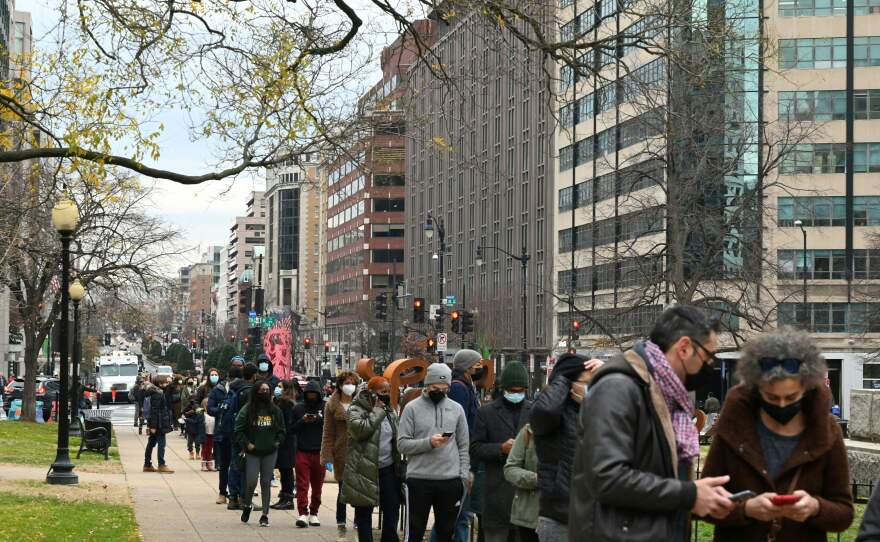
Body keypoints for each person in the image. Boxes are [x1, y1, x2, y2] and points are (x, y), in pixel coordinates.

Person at [569, 305, 734, 542]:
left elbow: (656, 483)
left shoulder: (665, 395)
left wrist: (700, 498)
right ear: (684, 348)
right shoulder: (618, 388)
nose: (710, 367)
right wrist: (689, 495)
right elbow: (607, 478)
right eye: (708, 357)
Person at [702, 328, 854, 541]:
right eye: (772, 398)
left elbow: (845, 513)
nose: (782, 404)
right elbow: (705, 503)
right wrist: (745, 509)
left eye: (792, 397)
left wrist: (815, 508)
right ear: (757, 388)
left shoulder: (826, 430)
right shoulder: (734, 426)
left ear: (806, 387)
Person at [527, 352, 601, 542]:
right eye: (586, 383)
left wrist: (608, 372)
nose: (591, 389)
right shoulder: (553, 414)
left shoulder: (596, 411)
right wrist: (561, 378)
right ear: (568, 384)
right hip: (558, 517)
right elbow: (545, 411)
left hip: (594, 516)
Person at [397, 363, 470, 542]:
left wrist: (463, 476)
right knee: (414, 532)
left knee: (446, 533)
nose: (440, 392)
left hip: (450, 481)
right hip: (419, 480)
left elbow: (463, 445)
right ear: (427, 385)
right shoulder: (412, 408)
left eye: (445, 389)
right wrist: (428, 443)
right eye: (436, 388)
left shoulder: (457, 409)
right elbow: (402, 444)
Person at [470, 361, 532, 542]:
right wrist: (501, 448)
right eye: (512, 390)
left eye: (520, 390)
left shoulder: (535, 411)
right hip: (496, 495)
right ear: (504, 388)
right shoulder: (487, 413)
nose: (516, 394)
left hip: (525, 498)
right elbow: (475, 448)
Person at [342, 376, 403, 542]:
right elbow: (360, 431)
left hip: (388, 468)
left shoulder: (390, 410)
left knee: (392, 508)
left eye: (388, 391)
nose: (386, 395)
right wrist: (376, 411)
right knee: (364, 512)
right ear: (371, 393)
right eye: (382, 391)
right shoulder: (356, 409)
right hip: (364, 469)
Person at [444, 349, 484, 542]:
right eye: (477, 364)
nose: (481, 368)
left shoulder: (469, 387)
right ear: (468, 367)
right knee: (460, 514)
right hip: (462, 457)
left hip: (465, 455)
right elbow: (461, 425)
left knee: (459, 515)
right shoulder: (460, 388)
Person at [234, 380, 286, 527]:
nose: (265, 392)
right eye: (262, 390)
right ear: (256, 392)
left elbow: (282, 430)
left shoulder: (275, 410)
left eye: (267, 390)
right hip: (253, 452)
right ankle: (248, 504)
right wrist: (247, 444)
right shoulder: (248, 409)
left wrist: (277, 442)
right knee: (251, 482)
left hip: (270, 451)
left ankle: (265, 514)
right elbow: (238, 429)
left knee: (265, 482)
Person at [321, 370, 359, 538]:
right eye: (347, 383)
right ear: (340, 385)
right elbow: (328, 432)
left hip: (360, 452)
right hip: (341, 451)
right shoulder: (331, 405)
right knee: (343, 488)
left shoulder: (362, 403)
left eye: (353, 383)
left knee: (359, 488)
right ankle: (341, 520)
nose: (350, 386)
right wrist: (326, 455)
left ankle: (359, 520)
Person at [292, 380, 327, 528]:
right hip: (302, 451)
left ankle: (314, 513)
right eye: (309, 394)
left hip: (319, 452)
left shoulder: (325, 408)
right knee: (302, 484)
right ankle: (302, 512)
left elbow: (329, 428)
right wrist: (303, 421)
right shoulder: (298, 408)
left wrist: (319, 419)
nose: (312, 396)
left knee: (318, 486)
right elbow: (291, 429)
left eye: (314, 394)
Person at [225, 362, 258, 510]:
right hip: (248, 435)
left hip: (235, 432)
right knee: (248, 467)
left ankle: (233, 498)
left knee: (235, 465)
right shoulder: (252, 392)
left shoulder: (235, 390)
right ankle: (245, 499)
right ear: (254, 375)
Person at [504, 423, 540, 542]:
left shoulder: (582, 429)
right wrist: (535, 479)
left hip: (566, 516)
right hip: (529, 516)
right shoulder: (528, 432)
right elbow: (510, 469)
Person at [271, 380, 298, 511]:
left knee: (286, 470)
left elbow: (286, 424)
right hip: (283, 441)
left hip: (286, 442)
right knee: (283, 470)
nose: (277, 388)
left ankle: (288, 498)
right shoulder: (279, 402)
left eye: (280, 387)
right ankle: (284, 497)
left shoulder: (286, 404)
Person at [207, 366, 232, 503]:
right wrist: (221, 409)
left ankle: (237, 494)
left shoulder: (240, 390)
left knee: (237, 465)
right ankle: (223, 492)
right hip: (222, 432)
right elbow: (210, 409)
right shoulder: (218, 390)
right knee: (224, 465)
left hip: (237, 433)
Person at [143, 375, 175, 473]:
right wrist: (152, 426)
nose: (167, 384)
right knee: (161, 443)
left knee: (151, 442)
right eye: (165, 382)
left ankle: (147, 464)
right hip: (159, 423)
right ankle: (161, 464)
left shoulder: (155, 391)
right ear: (159, 383)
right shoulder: (157, 393)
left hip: (157, 422)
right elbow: (154, 410)